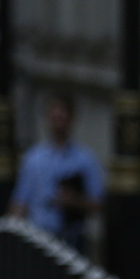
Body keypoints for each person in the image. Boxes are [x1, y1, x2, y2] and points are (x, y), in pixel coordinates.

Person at [8, 92, 103, 252]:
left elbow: (98, 203)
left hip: (71, 239)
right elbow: (20, 202)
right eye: (53, 114)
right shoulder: (33, 158)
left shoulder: (85, 160)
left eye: (62, 114)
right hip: (38, 237)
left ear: (71, 118)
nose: (58, 119)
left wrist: (74, 201)